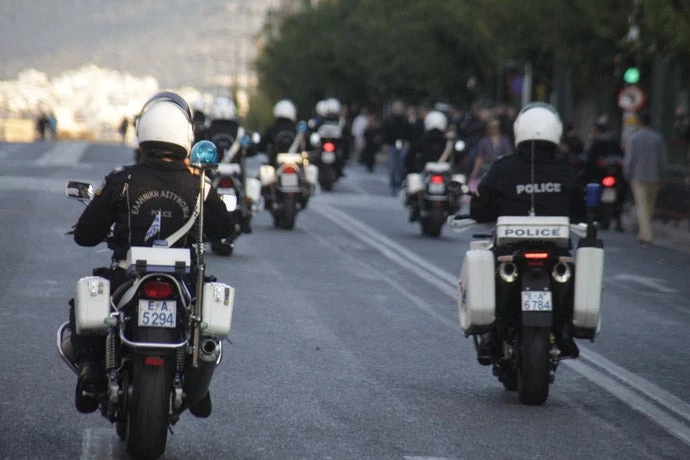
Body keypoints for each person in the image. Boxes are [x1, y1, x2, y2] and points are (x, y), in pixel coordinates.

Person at [67, 91, 236, 415]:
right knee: (203, 321)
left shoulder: (122, 179)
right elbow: (224, 229)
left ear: (143, 133)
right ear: (186, 135)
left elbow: (86, 236)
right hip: (183, 281)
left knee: (86, 305)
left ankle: (91, 372)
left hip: (126, 275)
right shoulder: (199, 184)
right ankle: (198, 383)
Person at [470, 102, 586, 362]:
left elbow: (479, 209)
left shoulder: (502, 168)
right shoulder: (566, 171)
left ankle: (493, 336)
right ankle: (564, 332)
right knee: (572, 274)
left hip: (510, 248)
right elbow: (581, 212)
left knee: (489, 270)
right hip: (556, 249)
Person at [623, 111, 667, 247]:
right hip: (654, 176)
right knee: (649, 206)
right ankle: (644, 233)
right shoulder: (657, 138)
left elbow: (629, 159)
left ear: (640, 122)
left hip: (638, 176)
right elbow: (662, 160)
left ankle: (646, 235)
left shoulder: (633, 138)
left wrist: (627, 174)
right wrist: (662, 175)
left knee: (641, 206)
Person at [403, 110, 450, 222]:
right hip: (433, 173)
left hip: (432, 172)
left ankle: (416, 208)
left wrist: (412, 169)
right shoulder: (447, 141)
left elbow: (409, 157)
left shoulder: (422, 139)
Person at [469, 118, 513, 186]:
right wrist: (475, 171)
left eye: (495, 127)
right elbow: (480, 157)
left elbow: (509, 154)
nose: (493, 129)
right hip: (487, 168)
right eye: (491, 127)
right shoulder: (484, 141)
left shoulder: (505, 140)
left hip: (501, 168)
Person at [383, 100, 412, 195]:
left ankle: (399, 184)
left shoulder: (405, 120)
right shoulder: (389, 120)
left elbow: (408, 132)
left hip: (402, 144)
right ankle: (393, 185)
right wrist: (385, 143)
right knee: (392, 166)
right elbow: (385, 132)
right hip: (392, 145)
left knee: (401, 165)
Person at [259, 99, 299, 166]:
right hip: (296, 163)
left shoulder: (272, 129)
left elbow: (262, 146)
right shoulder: (297, 129)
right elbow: (307, 146)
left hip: (275, 164)